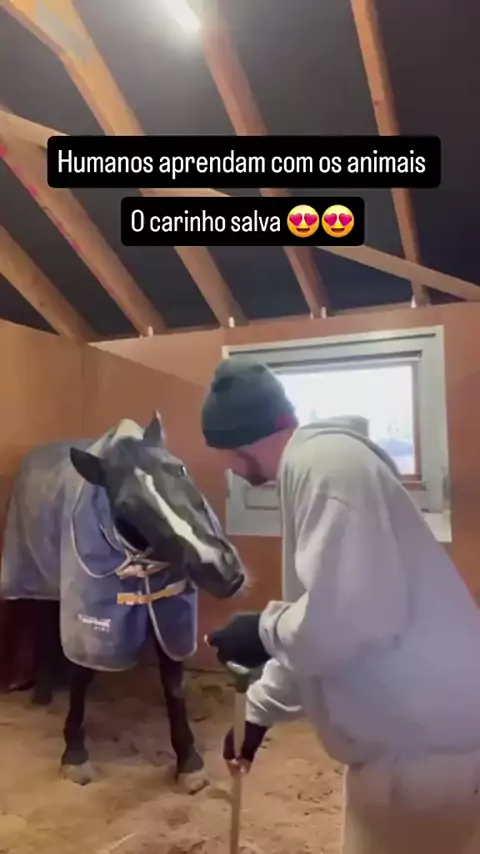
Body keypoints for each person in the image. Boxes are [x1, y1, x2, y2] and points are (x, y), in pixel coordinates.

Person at [201, 357, 480, 854]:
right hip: (403, 747)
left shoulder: (326, 467)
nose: (229, 468)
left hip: (428, 757)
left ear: (241, 442)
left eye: (225, 453)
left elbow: (346, 621)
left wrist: (264, 631)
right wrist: (257, 715)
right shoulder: (318, 467)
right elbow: (321, 617)